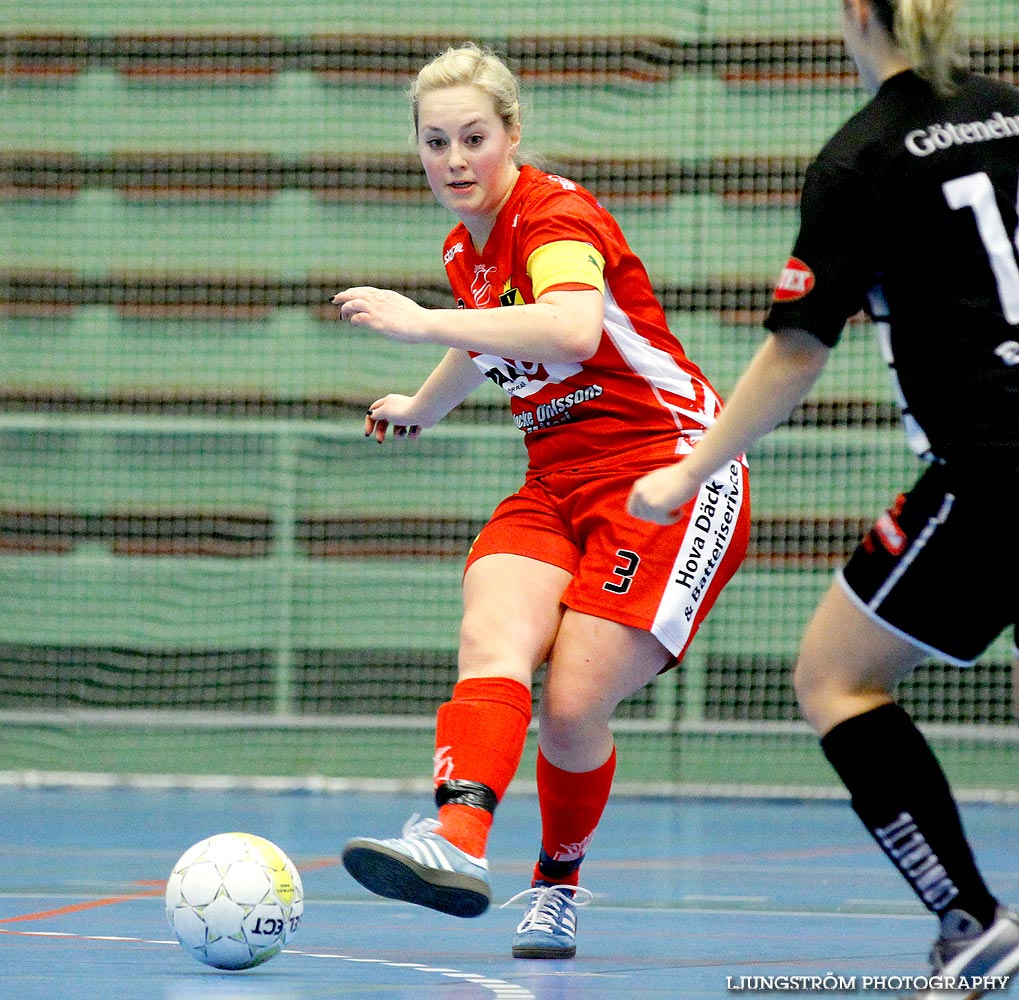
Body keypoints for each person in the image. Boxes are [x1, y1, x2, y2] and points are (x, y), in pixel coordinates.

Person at [628, 0, 1019, 993]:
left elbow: (797, 347)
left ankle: (967, 918)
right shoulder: (1010, 110)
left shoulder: (862, 158)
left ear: (853, 14)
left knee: (830, 676)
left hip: (993, 467)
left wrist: (689, 467)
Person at [330, 41, 750, 959]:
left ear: (511, 134)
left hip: (667, 472)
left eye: (473, 138)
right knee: (492, 628)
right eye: (434, 142)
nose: (454, 161)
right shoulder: (462, 244)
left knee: (569, 708)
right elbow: (490, 338)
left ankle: (555, 883)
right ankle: (455, 840)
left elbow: (568, 323)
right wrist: (419, 408)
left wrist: (418, 320)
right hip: (554, 478)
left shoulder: (553, 216)